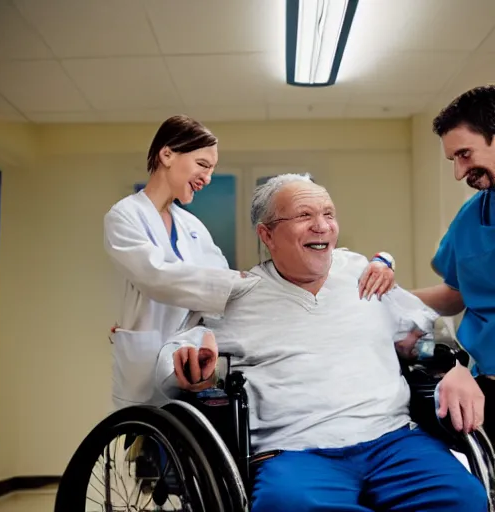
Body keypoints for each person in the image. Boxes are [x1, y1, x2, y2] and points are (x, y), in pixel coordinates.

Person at [158, 174, 487, 512]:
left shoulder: (361, 274)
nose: (322, 226)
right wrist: (191, 370)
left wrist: (455, 368)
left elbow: (419, 333)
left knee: (462, 498)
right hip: (296, 452)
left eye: (328, 214)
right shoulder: (238, 296)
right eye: (304, 216)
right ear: (267, 234)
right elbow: (173, 361)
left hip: (393, 441)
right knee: (288, 506)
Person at [104, 116, 396, 410]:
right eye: (203, 165)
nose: (207, 178)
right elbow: (156, 276)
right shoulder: (125, 216)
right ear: (167, 154)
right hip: (147, 359)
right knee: (147, 445)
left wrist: (378, 263)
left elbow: (222, 275)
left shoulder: (191, 224)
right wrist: (248, 284)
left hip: (192, 357)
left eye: (212, 169)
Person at [411, 85, 495, 445]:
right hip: (484, 385)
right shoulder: (471, 216)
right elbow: (456, 293)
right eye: (453, 160)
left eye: (465, 154)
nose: (460, 173)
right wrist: (385, 298)